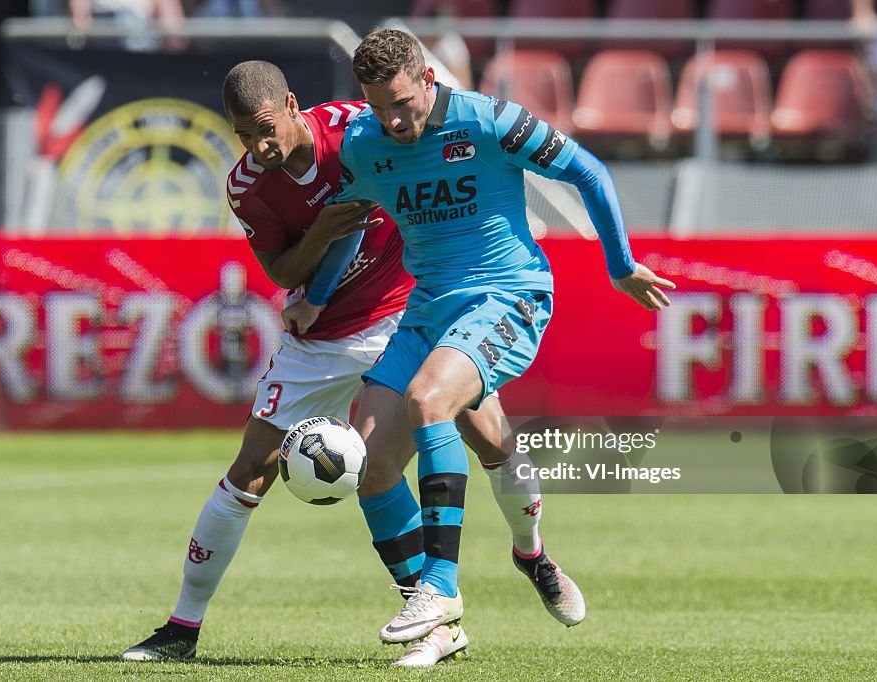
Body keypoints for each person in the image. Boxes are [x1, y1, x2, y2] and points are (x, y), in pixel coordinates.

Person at [121, 60, 583, 668]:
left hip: (405, 314)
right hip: (322, 339)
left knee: (491, 440)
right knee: (250, 472)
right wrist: (318, 248)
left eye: (265, 128)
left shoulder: (359, 130)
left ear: (291, 104)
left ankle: (533, 555)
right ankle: (183, 628)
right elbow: (283, 271)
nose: (259, 147)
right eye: (242, 135)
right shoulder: (246, 187)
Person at [284, 27, 675, 654]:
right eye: (376, 106)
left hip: (509, 297)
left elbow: (588, 170)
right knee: (373, 464)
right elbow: (354, 224)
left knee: (428, 402)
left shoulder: (490, 121)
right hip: (429, 309)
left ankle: (458, 579)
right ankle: (438, 621)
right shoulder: (363, 143)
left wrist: (619, 265)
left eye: (401, 103)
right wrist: (316, 298)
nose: (391, 119)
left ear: (429, 81)